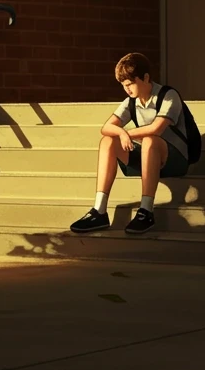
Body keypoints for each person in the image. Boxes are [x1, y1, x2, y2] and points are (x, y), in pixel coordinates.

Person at [69, 52, 191, 235]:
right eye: (123, 85)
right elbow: (106, 127)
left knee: (150, 140)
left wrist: (127, 133)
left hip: (175, 159)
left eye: (130, 84)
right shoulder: (131, 101)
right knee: (108, 141)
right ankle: (99, 210)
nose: (127, 89)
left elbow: (156, 129)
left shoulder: (168, 95)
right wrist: (120, 133)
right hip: (146, 159)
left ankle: (146, 211)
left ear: (146, 78)